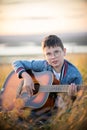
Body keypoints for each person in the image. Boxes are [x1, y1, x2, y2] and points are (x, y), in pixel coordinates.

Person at [12, 35, 82, 124]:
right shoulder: (44, 64)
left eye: (56, 52)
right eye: (48, 54)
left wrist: (72, 97)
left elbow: (76, 105)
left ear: (64, 52)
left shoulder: (75, 76)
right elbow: (16, 62)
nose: (53, 57)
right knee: (19, 117)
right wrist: (26, 77)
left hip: (56, 109)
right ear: (44, 56)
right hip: (40, 105)